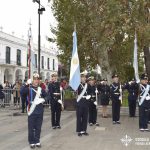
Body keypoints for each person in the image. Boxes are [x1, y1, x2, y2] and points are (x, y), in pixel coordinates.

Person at [20, 73, 46, 148]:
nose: (36, 81)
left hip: (40, 110)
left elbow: (48, 96)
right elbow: (21, 92)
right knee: (31, 127)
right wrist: (25, 84)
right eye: (35, 79)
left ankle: (37, 141)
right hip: (32, 110)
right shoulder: (28, 88)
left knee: (38, 127)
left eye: (37, 79)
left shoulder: (41, 89)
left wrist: (43, 99)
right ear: (32, 80)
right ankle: (31, 142)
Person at [76, 71, 90, 136]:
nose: (84, 78)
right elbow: (75, 91)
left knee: (85, 116)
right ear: (80, 78)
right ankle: (79, 131)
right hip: (80, 101)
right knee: (79, 117)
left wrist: (89, 96)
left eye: (85, 77)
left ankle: (84, 130)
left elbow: (90, 92)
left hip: (86, 102)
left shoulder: (88, 85)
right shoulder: (78, 85)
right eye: (82, 77)